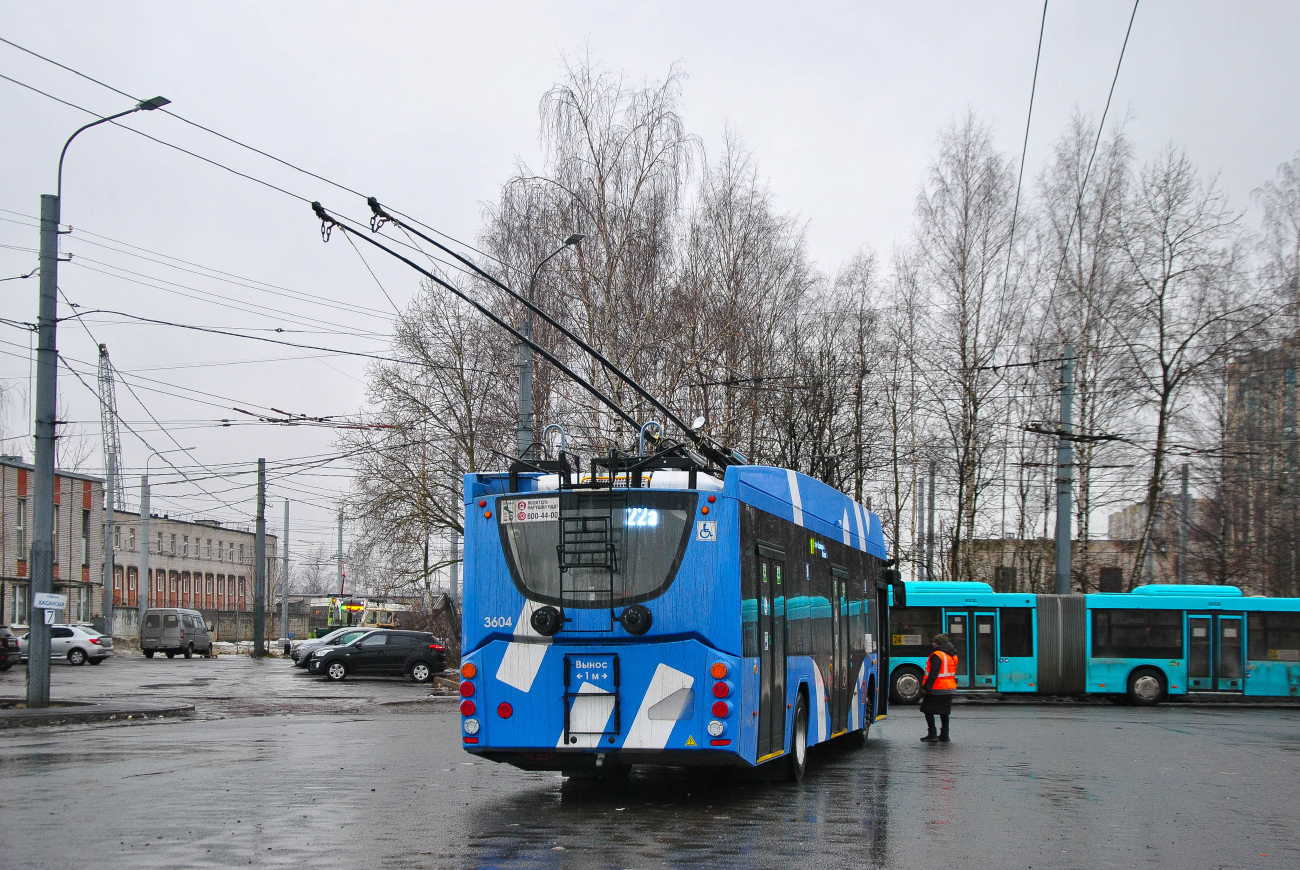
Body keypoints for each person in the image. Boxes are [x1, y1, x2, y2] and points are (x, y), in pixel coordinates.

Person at [919, 633, 958, 743]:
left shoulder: (937, 655)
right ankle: (945, 735)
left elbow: (933, 673)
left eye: (935, 642)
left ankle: (932, 734)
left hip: (936, 688)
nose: (933, 643)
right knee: (944, 712)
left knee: (927, 709)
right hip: (949, 688)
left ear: (939, 643)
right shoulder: (953, 655)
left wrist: (926, 687)